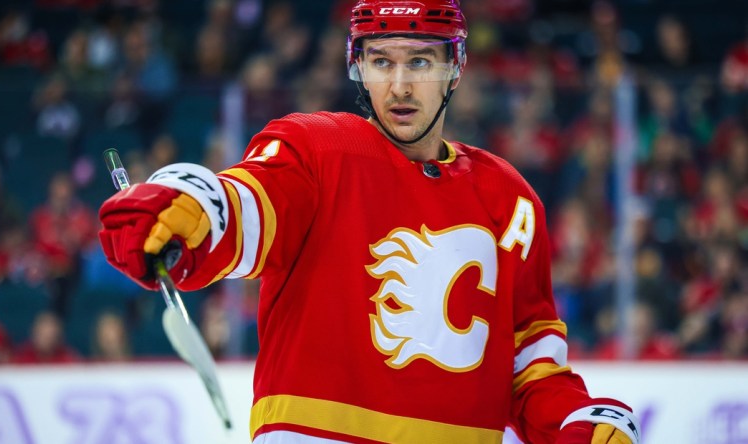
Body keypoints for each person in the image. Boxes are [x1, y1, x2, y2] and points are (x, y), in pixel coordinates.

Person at [99, 1, 640, 443]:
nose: (400, 86)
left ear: (457, 66)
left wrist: (579, 421)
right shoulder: (315, 148)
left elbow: (531, 369)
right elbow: (246, 210)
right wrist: (190, 209)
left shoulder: (511, 199)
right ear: (357, 65)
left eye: (421, 62)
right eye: (382, 61)